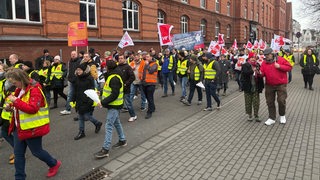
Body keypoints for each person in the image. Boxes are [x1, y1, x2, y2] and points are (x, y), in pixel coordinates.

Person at [5, 68, 61, 179]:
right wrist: (10, 107)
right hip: (19, 127)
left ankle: (54, 163)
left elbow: (32, 108)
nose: (14, 85)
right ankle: (19, 177)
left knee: (37, 152)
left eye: (14, 82)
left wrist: (15, 101)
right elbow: (20, 103)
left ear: (21, 79)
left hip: (32, 128)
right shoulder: (20, 89)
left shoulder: (35, 89)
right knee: (19, 155)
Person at [94, 60, 127, 159]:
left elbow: (114, 94)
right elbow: (110, 90)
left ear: (108, 68)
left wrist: (103, 102)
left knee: (108, 125)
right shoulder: (112, 76)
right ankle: (122, 140)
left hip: (114, 106)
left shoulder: (114, 78)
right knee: (116, 123)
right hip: (113, 105)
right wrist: (101, 92)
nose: (104, 68)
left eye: (105, 67)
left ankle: (105, 149)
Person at [259, 48, 292, 126]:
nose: (266, 57)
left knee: (281, 100)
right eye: (265, 55)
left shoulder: (280, 59)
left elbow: (289, 67)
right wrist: (259, 73)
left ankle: (282, 115)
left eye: (268, 55)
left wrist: (279, 66)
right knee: (270, 101)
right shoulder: (264, 63)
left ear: (272, 54)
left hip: (281, 84)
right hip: (269, 85)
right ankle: (272, 118)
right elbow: (262, 73)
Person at [71, 63, 103, 140]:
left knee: (87, 116)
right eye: (77, 70)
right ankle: (81, 132)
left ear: (84, 70)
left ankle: (97, 123)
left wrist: (89, 101)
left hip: (87, 100)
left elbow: (92, 91)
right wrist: (73, 100)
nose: (78, 71)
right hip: (79, 100)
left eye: (79, 70)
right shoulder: (76, 78)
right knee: (81, 116)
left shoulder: (89, 78)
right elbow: (74, 90)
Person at [241, 52, 264, 122]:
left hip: (256, 86)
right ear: (249, 58)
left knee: (256, 102)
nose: (253, 59)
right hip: (248, 86)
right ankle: (250, 115)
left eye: (254, 58)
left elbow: (260, 74)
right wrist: (252, 70)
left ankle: (256, 115)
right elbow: (245, 73)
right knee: (248, 101)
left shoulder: (257, 65)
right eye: (252, 57)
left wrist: (260, 73)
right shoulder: (245, 65)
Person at [0, 64, 15, 164]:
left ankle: (18, 152)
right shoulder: (4, 82)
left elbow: (13, 100)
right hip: (5, 113)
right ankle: (18, 150)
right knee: (5, 133)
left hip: (11, 114)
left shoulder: (13, 84)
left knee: (5, 133)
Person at [60, 50, 80, 116]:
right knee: (70, 95)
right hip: (71, 81)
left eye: (74, 54)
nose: (73, 55)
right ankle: (68, 109)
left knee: (78, 96)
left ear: (76, 55)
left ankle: (79, 111)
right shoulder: (70, 61)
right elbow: (69, 70)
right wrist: (69, 78)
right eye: (72, 54)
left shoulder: (79, 61)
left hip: (78, 81)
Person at [117, 54, 135, 121]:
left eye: (121, 58)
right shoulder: (117, 67)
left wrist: (126, 84)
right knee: (118, 103)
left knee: (128, 103)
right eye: (119, 58)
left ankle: (133, 115)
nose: (120, 59)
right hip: (119, 88)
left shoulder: (128, 67)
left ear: (124, 59)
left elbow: (132, 77)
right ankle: (116, 118)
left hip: (126, 88)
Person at [140, 53, 158, 119]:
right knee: (148, 97)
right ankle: (152, 107)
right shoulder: (145, 64)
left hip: (151, 84)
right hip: (144, 83)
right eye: (146, 57)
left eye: (148, 57)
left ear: (151, 57)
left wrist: (147, 65)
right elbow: (143, 72)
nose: (146, 58)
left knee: (149, 97)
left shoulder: (155, 64)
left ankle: (149, 112)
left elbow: (151, 71)